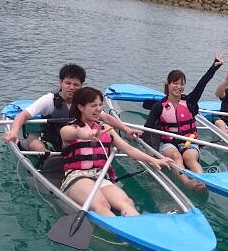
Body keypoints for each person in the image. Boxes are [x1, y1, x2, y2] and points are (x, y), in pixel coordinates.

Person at [60, 87, 172, 217]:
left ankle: (137, 230)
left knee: (127, 202)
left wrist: (155, 160)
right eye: (93, 105)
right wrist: (89, 135)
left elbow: (129, 149)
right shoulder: (67, 129)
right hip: (77, 177)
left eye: (100, 105)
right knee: (101, 205)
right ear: (81, 107)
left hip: (101, 176)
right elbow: (77, 132)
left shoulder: (106, 129)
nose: (98, 109)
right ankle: (119, 235)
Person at [3, 64, 139, 151]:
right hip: (50, 141)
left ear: (81, 86)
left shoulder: (85, 101)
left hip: (77, 140)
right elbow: (23, 115)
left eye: (76, 85)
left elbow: (107, 117)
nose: (71, 87)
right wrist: (14, 131)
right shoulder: (49, 99)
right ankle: (48, 164)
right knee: (35, 145)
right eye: (68, 83)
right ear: (60, 82)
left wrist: (127, 130)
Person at [144, 52, 224, 190]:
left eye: (182, 84)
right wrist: (149, 151)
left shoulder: (189, 102)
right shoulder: (159, 107)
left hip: (189, 141)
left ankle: (202, 182)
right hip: (168, 144)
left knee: (190, 158)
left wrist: (213, 68)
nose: (179, 87)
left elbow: (202, 84)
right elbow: (148, 128)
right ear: (168, 84)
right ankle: (187, 183)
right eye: (175, 83)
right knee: (176, 156)